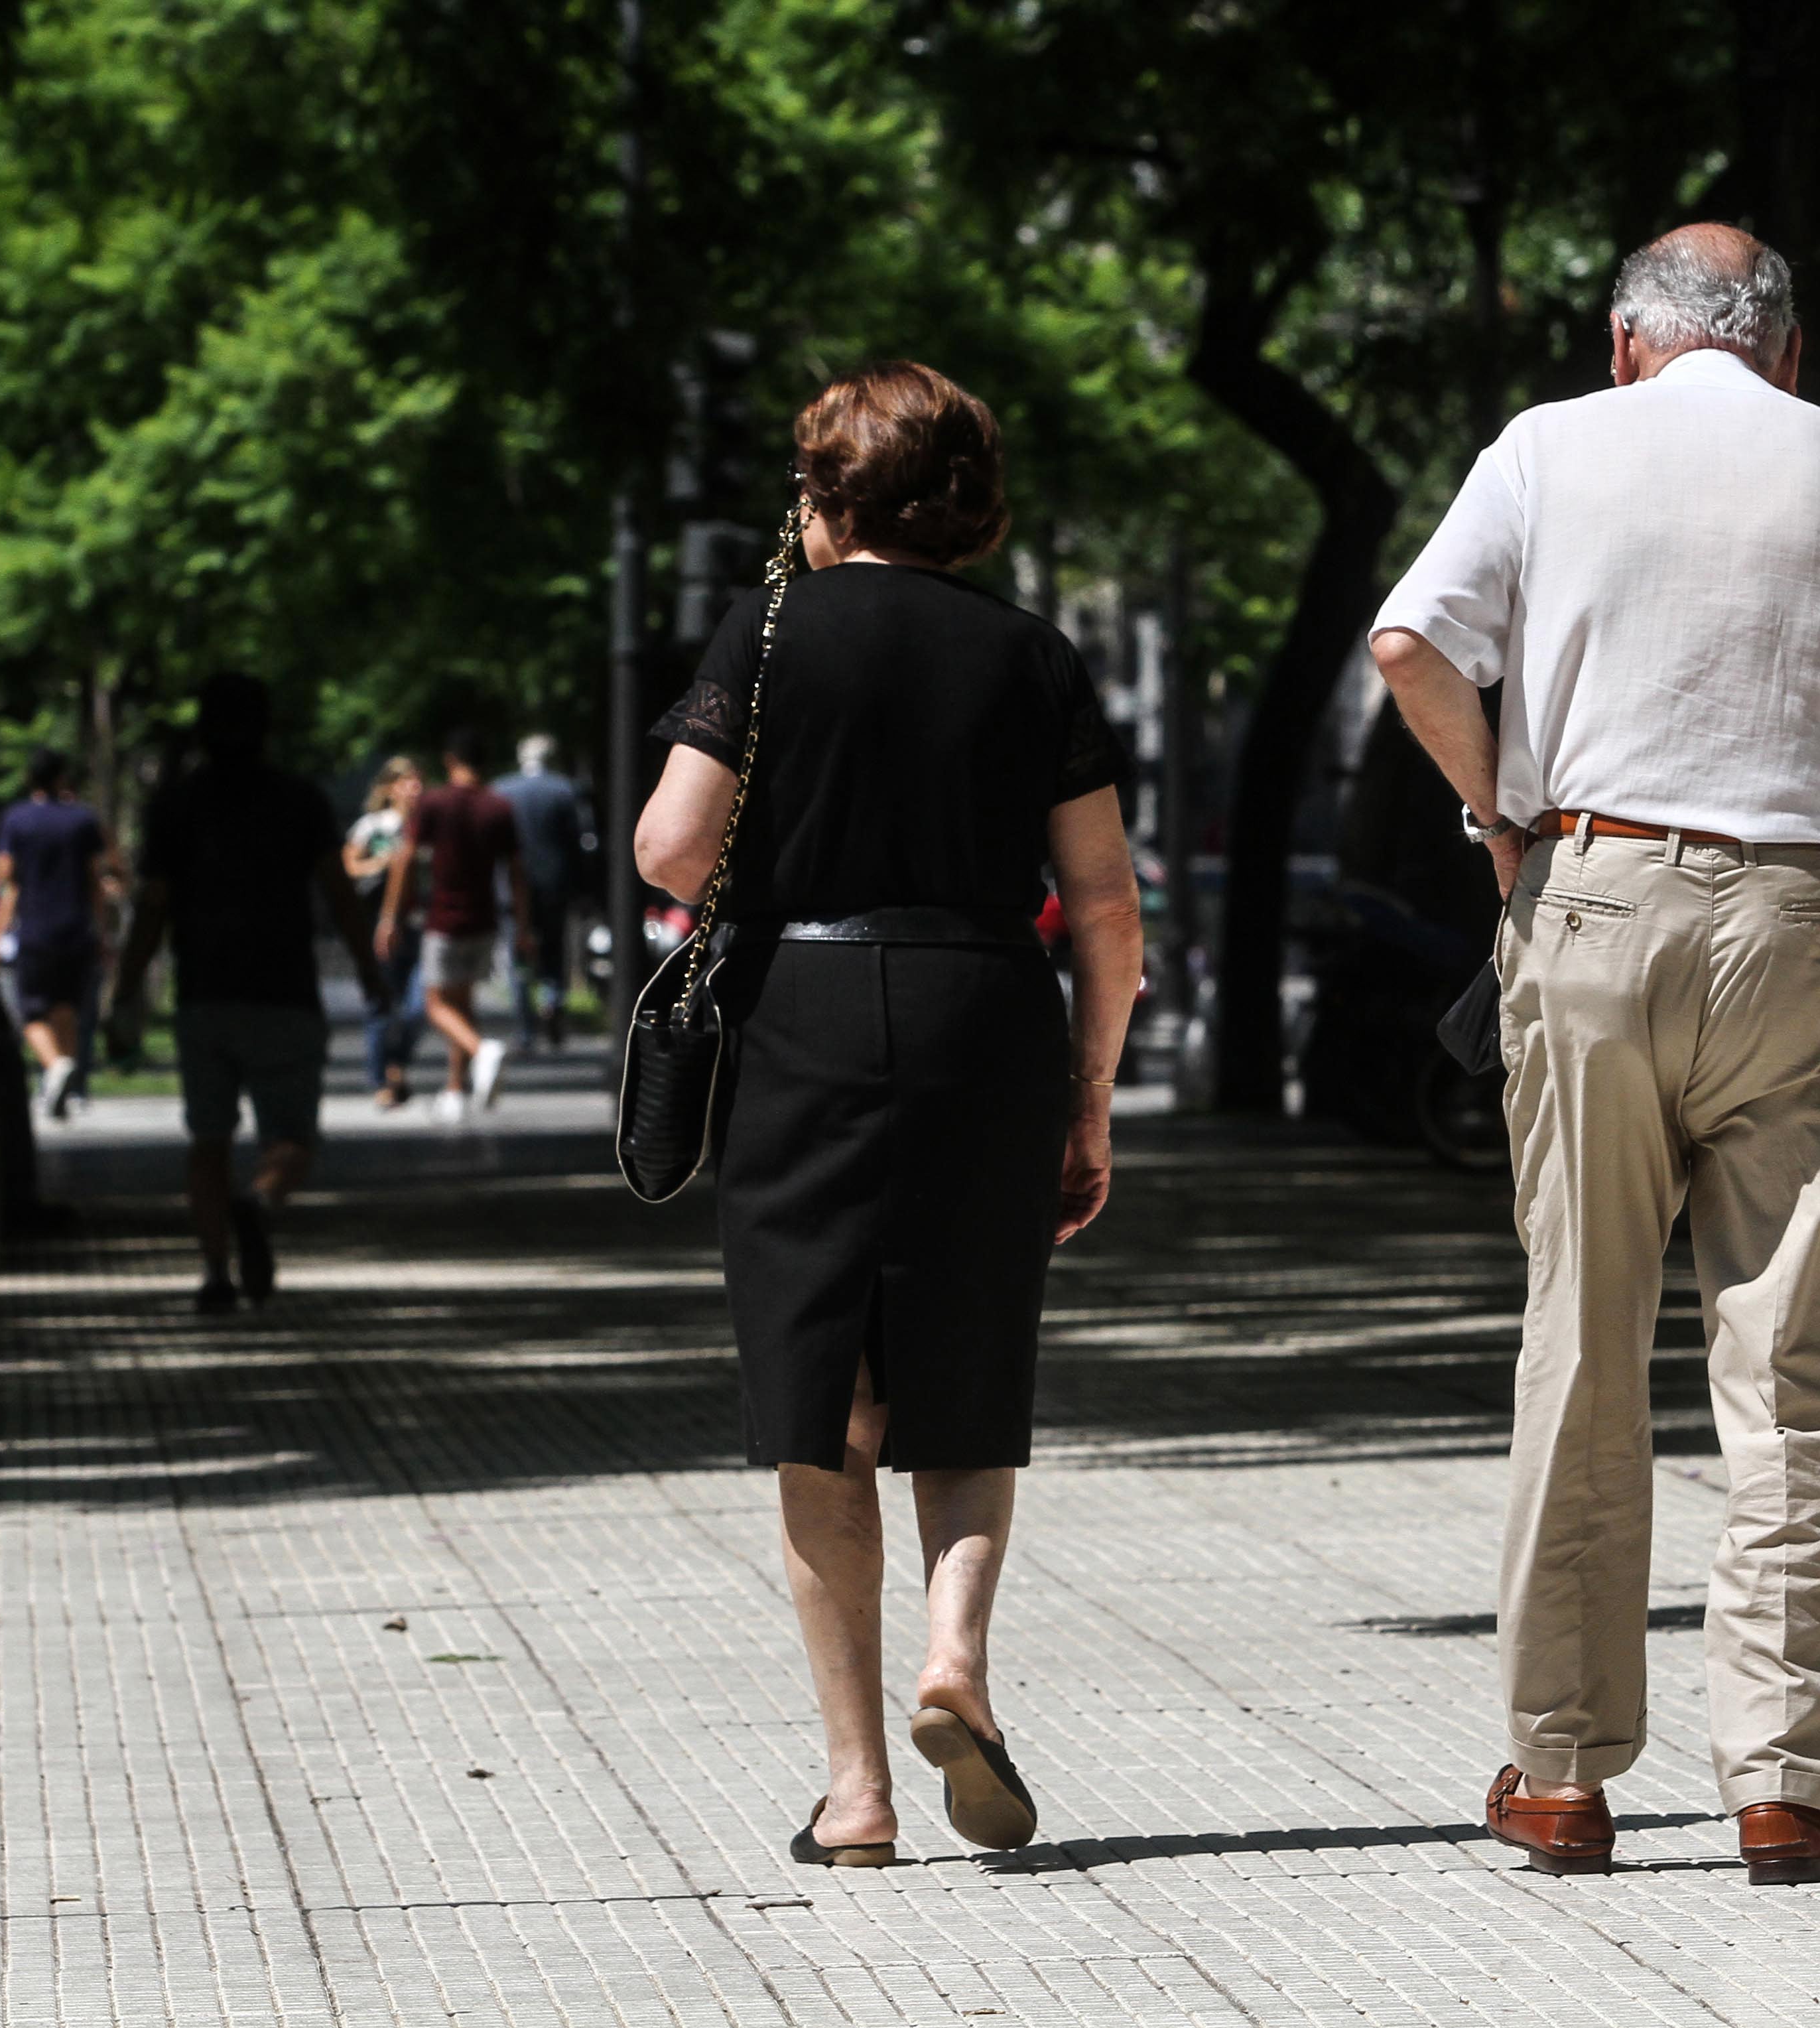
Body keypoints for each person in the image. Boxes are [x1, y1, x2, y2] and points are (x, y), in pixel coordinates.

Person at [1369, 224, 1820, 1885]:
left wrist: (1500, 818)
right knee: (1802, 1372)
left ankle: (1565, 1772)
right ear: (1786, 349)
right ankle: (1792, 1785)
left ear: (1623, 342)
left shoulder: (1547, 447)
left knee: (1581, 1342)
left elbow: (1410, 644)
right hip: (1814, 913)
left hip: (1596, 893)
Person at [634, 360, 1138, 1868]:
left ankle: (854, 1793)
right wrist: (1091, 1096)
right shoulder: (1033, 656)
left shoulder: (770, 632)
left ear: (832, 497)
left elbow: (672, 848)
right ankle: (956, 1658)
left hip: (806, 1020)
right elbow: (1104, 902)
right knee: (967, 1364)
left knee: (823, 1406)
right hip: (987, 1010)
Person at [105, 674, 383, 1315]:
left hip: (204, 992)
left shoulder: (174, 806)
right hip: (285, 990)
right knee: (292, 1138)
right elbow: (340, 894)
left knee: (208, 1140)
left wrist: (125, 990)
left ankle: (214, 1272)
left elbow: (152, 906)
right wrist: (369, 969)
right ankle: (259, 1201)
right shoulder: (300, 801)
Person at [378, 728, 526, 1122]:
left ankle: (482, 1053)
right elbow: (515, 872)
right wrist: (524, 926)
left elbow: (405, 859)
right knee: (462, 1004)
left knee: (435, 1005)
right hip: (484, 920)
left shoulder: (434, 803)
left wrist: (390, 917)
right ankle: (456, 1089)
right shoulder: (499, 807)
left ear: (450, 761)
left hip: (443, 919)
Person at [0, 748, 110, 1119]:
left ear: (30, 779)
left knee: (31, 1013)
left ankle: (55, 1067)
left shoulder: (17, 820)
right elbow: (96, 881)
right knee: (66, 1007)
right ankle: (69, 1087)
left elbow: (7, 878)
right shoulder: (82, 821)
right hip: (77, 929)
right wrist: (102, 932)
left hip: (35, 930)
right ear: (63, 778)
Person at [344, 757, 426, 1107]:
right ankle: (382, 1078)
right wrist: (382, 864)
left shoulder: (428, 826)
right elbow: (349, 866)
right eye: (409, 782)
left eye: (420, 782)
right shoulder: (373, 827)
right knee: (381, 1005)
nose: (416, 789)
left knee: (418, 1007)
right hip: (380, 923)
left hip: (422, 925)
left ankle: (398, 1064)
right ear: (392, 787)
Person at [493, 734, 580, 1052]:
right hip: (555, 884)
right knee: (554, 950)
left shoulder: (502, 790)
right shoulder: (564, 790)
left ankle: (526, 1027)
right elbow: (577, 842)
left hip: (511, 887)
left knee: (518, 954)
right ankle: (553, 998)